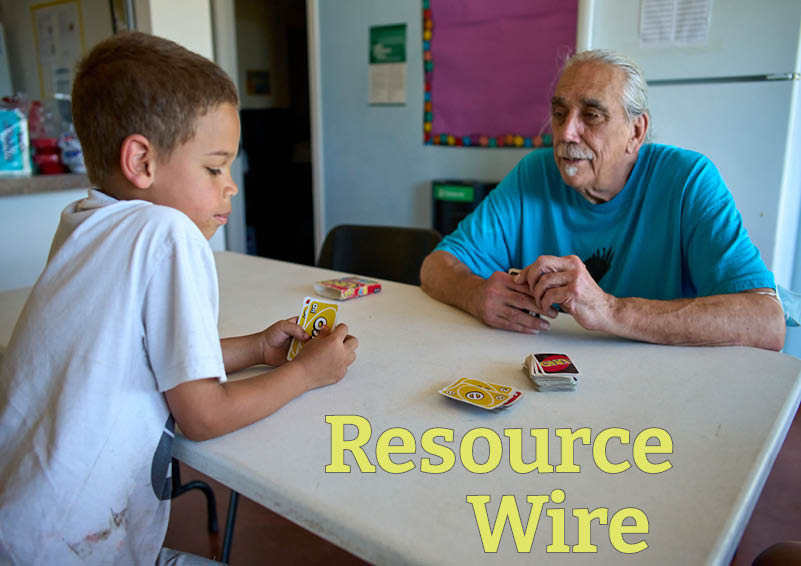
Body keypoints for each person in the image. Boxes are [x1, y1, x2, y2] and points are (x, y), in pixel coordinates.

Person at [0, 32, 358, 565]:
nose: (230, 186)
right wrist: (306, 374)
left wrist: (259, 348)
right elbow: (203, 416)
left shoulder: (84, 221)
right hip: (70, 547)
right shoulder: (168, 233)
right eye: (214, 167)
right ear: (141, 161)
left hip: (24, 524)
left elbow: (146, 359)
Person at [420, 49, 785, 351]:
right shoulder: (534, 172)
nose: (565, 132)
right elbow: (436, 267)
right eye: (559, 114)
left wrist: (610, 310)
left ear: (636, 131)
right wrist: (475, 294)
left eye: (591, 115)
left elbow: (764, 321)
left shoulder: (687, 180)